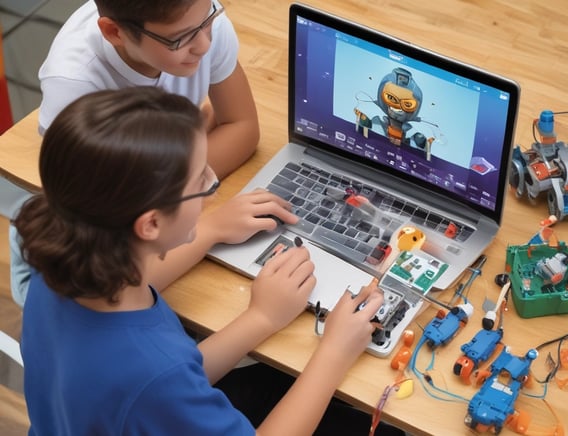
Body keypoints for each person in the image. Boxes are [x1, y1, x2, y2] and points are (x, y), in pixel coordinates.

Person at [14, 87, 404, 435]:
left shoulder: (61, 268)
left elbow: (173, 378)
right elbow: (161, 384)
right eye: (201, 180)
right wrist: (334, 353)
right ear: (149, 223)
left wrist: (260, 315)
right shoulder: (153, 376)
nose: (213, 185)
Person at [8, 0, 261, 306]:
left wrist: (181, 171)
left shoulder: (196, 17)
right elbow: (113, 280)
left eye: (209, 18)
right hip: (66, 265)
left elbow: (243, 128)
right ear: (114, 32)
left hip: (137, 223)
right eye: (179, 39)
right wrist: (211, 228)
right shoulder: (73, 84)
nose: (205, 44)